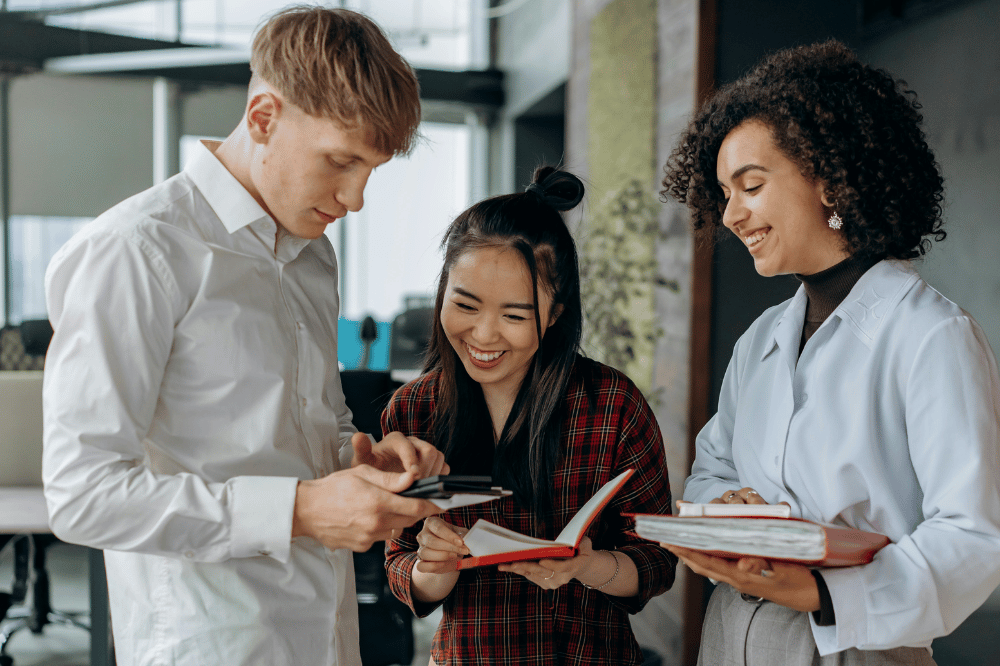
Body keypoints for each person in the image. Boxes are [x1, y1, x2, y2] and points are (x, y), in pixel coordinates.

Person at [41, 7, 447, 665]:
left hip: (326, 633)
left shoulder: (313, 255)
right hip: (211, 643)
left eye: (371, 170)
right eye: (341, 161)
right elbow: (82, 495)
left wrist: (361, 461)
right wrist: (303, 511)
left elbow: (312, 433)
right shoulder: (137, 251)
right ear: (263, 117)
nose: (355, 199)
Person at [660, 40, 1000, 664]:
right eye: (722, 193)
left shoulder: (931, 336)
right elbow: (711, 469)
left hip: (856, 643)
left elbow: (974, 536)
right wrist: (726, 506)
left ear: (828, 176)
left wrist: (822, 592)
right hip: (730, 635)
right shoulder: (762, 339)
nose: (731, 214)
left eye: (751, 186)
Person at [382, 167, 677, 665]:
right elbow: (399, 561)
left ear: (556, 312)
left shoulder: (612, 404)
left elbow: (657, 559)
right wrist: (435, 567)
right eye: (465, 305)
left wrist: (588, 566)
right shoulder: (414, 410)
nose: (483, 334)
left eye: (514, 316)